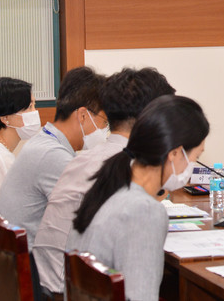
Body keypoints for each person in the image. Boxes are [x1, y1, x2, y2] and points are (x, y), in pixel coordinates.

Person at [34, 67, 175, 296]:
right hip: (70, 288)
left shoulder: (85, 158)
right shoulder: (126, 164)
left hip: (51, 280)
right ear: (153, 120)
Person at [68, 94, 208, 301]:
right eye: (196, 156)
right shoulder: (144, 210)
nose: (192, 165)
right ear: (175, 153)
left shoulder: (109, 183)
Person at [0, 66, 107, 249]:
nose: (104, 130)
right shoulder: (53, 155)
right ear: (82, 115)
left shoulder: (44, 141)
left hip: (18, 255)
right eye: (104, 122)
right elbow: (88, 219)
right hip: (33, 261)